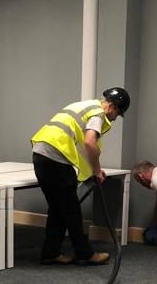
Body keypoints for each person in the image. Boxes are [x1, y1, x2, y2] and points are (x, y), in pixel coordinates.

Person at [31, 87, 130, 265]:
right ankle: (84, 254)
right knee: (71, 210)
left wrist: (91, 172)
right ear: (113, 107)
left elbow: (79, 148)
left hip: (41, 155)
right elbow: (90, 143)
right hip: (56, 158)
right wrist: (97, 170)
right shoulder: (98, 114)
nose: (115, 118)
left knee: (58, 209)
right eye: (118, 113)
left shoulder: (85, 106)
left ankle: (50, 253)